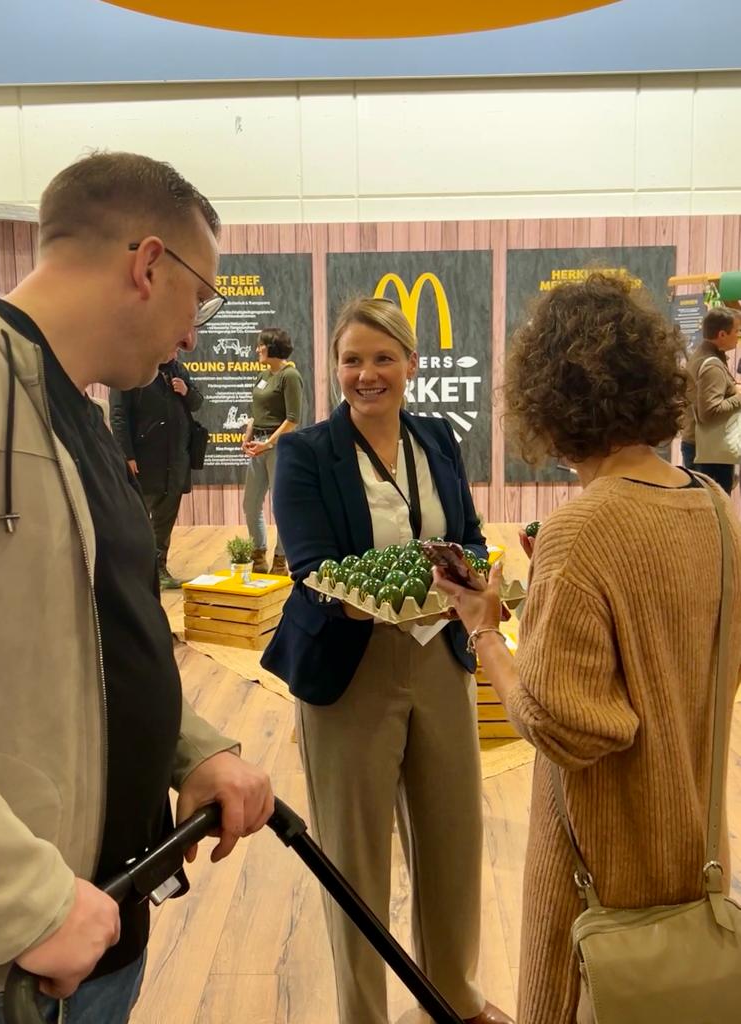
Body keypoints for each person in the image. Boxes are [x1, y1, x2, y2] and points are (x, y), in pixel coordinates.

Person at [0, 152, 274, 1024]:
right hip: (23, 957)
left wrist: (195, 749)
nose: (196, 331)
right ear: (149, 264)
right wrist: (22, 897)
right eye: (202, 296)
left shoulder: (73, 406)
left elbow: (99, 635)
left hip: (103, 925)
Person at [433, 273, 741, 1024]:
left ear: (547, 401)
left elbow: (564, 726)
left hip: (603, 878)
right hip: (695, 860)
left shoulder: (581, 529)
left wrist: (485, 629)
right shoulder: (714, 505)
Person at [261, 297, 513, 1024]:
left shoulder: (434, 436)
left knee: (453, 840)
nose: (366, 375)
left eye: (382, 358)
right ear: (333, 366)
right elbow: (312, 567)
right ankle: (364, 1014)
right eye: (351, 360)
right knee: (355, 857)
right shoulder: (306, 452)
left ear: (410, 364)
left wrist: (473, 579)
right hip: (349, 670)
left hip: (440, 660)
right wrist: (395, 593)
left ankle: (454, 997)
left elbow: (463, 533)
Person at [110, 355, 204, 588]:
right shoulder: (132, 368)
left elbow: (198, 402)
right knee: (140, 516)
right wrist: (127, 455)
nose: (175, 349)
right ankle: (137, 571)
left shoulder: (177, 370)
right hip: (145, 459)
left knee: (166, 516)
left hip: (176, 459)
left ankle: (159, 568)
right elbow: (119, 415)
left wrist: (186, 391)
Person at [242, 327, 303, 574]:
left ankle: (280, 559)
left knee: (282, 506)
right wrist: (249, 433)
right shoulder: (263, 374)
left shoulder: (290, 376)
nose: (257, 349)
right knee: (250, 504)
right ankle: (258, 556)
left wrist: (268, 443)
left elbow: (292, 419)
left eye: (261, 345)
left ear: (273, 347)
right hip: (258, 445)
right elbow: (258, 411)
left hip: (280, 447)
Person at [681, 306, 741, 494]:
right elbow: (709, 412)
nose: (738, 336)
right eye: (737, 331)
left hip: (700, 448)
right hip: (709, 453)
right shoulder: (711, 366)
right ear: (722, 334)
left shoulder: (703, 355)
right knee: (716, 511)